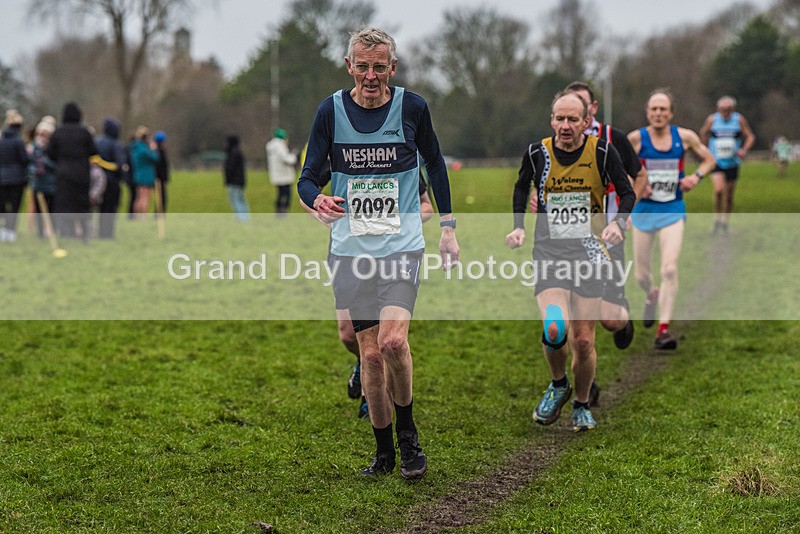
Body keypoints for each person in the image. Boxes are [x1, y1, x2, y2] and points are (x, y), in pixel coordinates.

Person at [297, 27, 459, 479]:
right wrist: (317, 200)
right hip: (351, 250)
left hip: (401, 247)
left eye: (379, 66)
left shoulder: (412, 108)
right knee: (368, 355)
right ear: (350, 66)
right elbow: (307, 177)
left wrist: (447, 228)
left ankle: (408, 437)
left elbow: (436, 164)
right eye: (362, 66)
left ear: (392, 67)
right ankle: (383, 453)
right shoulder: (330, 111)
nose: (371, 75)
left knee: (392, 342)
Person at [507, 91, 635, 432]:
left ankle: (581, 405)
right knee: (554, 328)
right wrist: (518, 228)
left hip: (590, 254)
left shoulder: (602, 151)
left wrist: (617, 222)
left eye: (572, 119)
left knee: (582, 340)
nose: (565, 126)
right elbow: (521, 188)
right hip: (550, 254)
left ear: (585, 122)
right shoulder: (537, 153)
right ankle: (559, 383)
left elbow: (627, 192)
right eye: (559, 119)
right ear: (552, 120)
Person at [562, 82, 648, 390]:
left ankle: (624, 320)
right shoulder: (556, 142)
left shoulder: (613, 139)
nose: (571, 119)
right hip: (568, 241)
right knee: (572, 318)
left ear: (591, 110)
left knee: (609, 319)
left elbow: (640, 177)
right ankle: (586, 379)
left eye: (580, 109)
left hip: (609, 239)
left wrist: (623, 218)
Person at [628, 89, 716, 350]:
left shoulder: (685, 137)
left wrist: (695, 177)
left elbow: (710, 159)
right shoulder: (636, 139)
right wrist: (637, 184)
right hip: (643, 211)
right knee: (641, 276)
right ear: (647, 112)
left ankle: (663, 330)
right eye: (654, 109)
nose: (658, 113)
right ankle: (650, 294)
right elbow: (617, 169)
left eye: (663, 109)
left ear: (671, 113)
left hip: (672, 209)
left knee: (669, 268)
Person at [699, 96, 755, 234]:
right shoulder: (712, 120)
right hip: (716, 161)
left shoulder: (739, 120)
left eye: (728, 110)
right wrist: (704, 151)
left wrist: (744, 150)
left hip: (732, 162)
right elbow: (703, 133)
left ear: (732, 110)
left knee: (729, 195)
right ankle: (717, 220)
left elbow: (750, 136)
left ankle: (725, 222)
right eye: (722, 109)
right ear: (718, 109)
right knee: (718, 190)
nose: (725, 112)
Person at [46, 102, 98, 239]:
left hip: (63, 173)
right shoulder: (85, 132)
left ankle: (65, 233)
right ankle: (84, 234)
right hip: (81, 173)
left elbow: (50, 153)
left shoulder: (58, 132)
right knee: (81, 204)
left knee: (64, 204)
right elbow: (94, 151)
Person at [0, 109, 30, 242]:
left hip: (2, 178)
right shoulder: (18, 141)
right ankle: (11, 231)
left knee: (3, 205)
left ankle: (3, 231)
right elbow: (24, 159)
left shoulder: (2, 140)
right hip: (17, 179)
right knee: (14, 206)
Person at [95, 117, 125, 238]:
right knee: (111, 208)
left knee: (102, 208)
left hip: (97, 182)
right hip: (112, 182)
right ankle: (108, 233)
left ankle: (101, 231)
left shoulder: (97, 141)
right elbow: (119, 165)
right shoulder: (115, 144)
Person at [28, 119, 58, 238]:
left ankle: (51, 231)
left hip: (51, 184)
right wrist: (33, 169)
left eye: (44, 135)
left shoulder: (53, 149)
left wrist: (45, 163)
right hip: (38, 184)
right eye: (40, 134)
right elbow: (29, 163)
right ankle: (40, 233)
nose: (41, 137)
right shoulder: (34, 148)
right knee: (39, 211)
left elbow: (56, 165)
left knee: (51, 210)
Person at [129, 126, 160, 217]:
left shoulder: (135, 148)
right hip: (146, 175)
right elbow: (155, 158)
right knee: (145, 198)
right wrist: (153, 149)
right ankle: (143, 217)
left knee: (138, 197)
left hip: (138, 174)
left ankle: (136, 216)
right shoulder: (144, 150)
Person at [266, 128, 297, 215]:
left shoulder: (271, 146)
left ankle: (279, 209)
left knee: (280, 193)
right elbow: (287, 159)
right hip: (284, 175)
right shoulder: (279, 146)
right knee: (286, 194)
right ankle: (282, 211)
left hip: (276, 174)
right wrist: (293, 156)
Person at [223, 134, 250, 221]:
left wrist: (228, 180)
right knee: (241, 200)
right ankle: (245, 217)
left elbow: (230, 168)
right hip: (240, 181)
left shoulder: (232, 153)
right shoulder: (238, 152)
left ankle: (241, 218)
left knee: (235, 200)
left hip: (233, 181)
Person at [153, 131, 170, 214]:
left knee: (162, 198)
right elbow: (161, 167)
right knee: (161, 199)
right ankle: (159, 214)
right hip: (160, 179)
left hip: (162, 178)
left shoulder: (160, 151)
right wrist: (162, 179)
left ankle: (160, 213)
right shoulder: (159, 152)